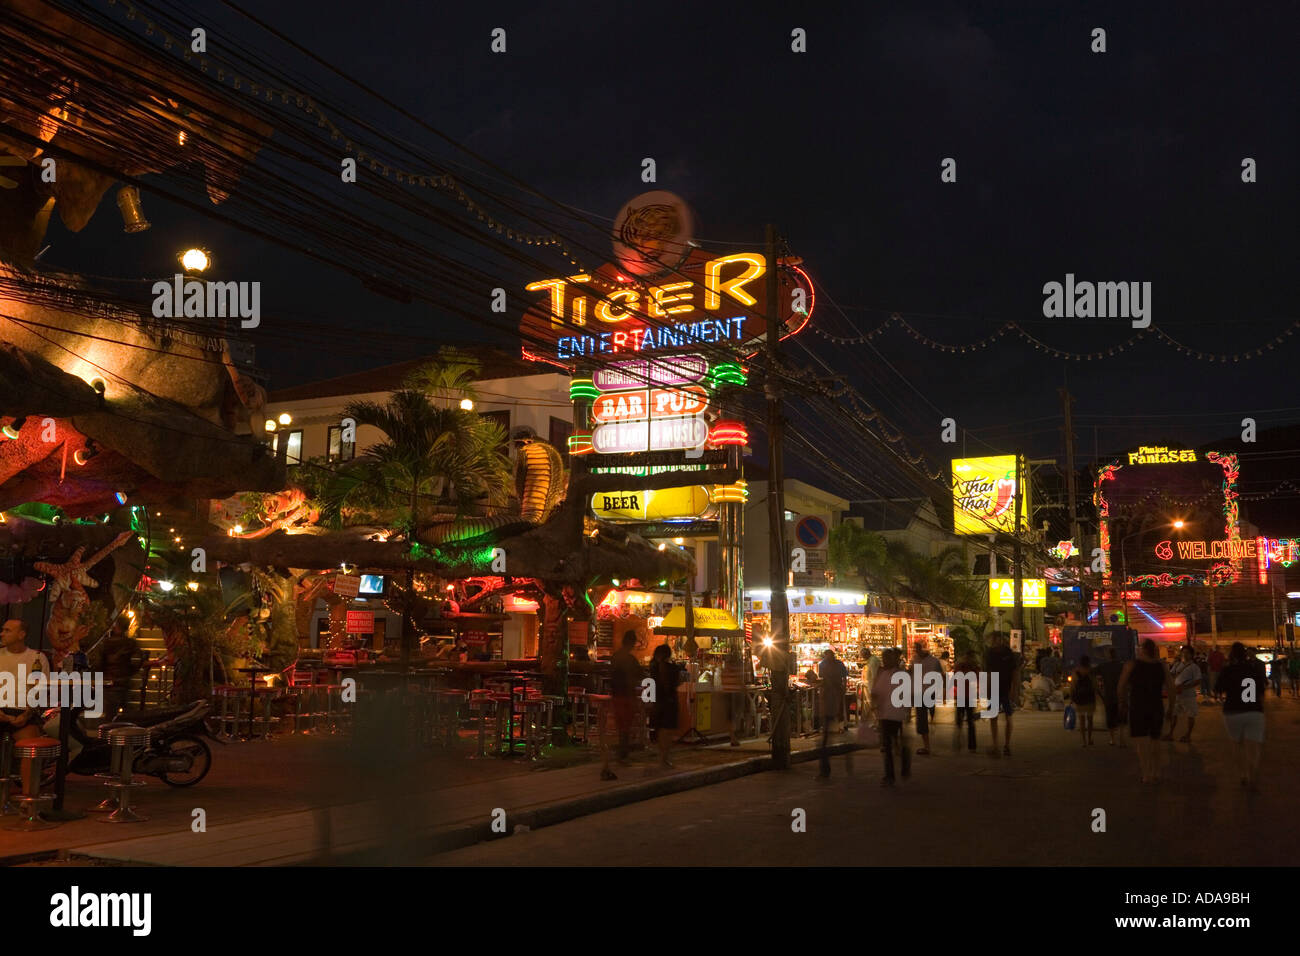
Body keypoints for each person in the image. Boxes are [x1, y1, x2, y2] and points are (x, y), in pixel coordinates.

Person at [0, 619, 51, 794]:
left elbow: (40, 691)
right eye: (3, 630)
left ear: (21, 635)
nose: (2, 634)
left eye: (7, 630)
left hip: (23, 709)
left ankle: (28, 800)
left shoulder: (37, 657)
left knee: (31, 748)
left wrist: (27, 714)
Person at [1118, 638, 1176, 784]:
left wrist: (1122, 703)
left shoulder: (1131, 665)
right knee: (1155, 741)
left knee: (1141, 743)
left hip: (1138, 707)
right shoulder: (1162, 666)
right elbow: (1171, 688)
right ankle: (1156, 772)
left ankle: (1146, 773)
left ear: (1143, 650)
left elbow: (1121, 686)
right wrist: (1171, 707)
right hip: (1156, 706)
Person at [1218, 641, 1267, 789]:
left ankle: (1243, 774)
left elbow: (1218, 689)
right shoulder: (1253, 669)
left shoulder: (1228, 670)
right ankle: (1252, 775)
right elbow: (1261, 692)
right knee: (1253, 747)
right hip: (1254, 711)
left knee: (1237, 745)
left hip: (1233, 711)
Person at [601, 632, 643, 781]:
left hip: (617, 694)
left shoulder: (616, 657)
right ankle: (622, 754)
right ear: (631, 643)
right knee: (626, 724)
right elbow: (638, 675)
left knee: (621, 725)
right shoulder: (630, 659)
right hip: (627, 695)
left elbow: (613, 675)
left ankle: (620, 753)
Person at [870, 647, 910, 787]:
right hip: (887, 714)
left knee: (890, 745)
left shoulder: (897, 674)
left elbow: (906, 693)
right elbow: (875, 692)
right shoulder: (883, 673)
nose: (885, 660)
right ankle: (892, 772)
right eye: (884, 657)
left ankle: (892, 774)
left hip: (893, 713)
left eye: (887, 658)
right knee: (889, 744)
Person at [984, 632, 1021, 757]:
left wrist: (1014, 690)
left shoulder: (1007, 653)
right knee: (995, 717)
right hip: (996, 688)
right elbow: (988, 673)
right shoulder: (991, 653)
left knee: (1007, 717)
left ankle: (1006, 745)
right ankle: (996, 745)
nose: (995, 641)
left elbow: (1015, 672)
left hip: (1005, 688)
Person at [101, 616, 146, 719]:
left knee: (111, 713)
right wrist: (131, 671)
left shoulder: (108, 643)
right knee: (123, 712)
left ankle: (110, 731)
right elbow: (138, 660)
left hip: (111, 682)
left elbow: (100, 662)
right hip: (122, 682)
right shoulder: (130, 644)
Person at [648, 644, 680, 769]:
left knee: (661, 729)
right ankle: (664, 758)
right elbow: (675, 683)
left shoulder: (653, 667)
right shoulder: (673, 669)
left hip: (657, 700)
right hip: (669, 701)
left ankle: (663, 757)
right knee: (667, 730)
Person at [817, 648, 848, 778]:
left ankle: (825, 769)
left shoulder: (832, 665)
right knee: (825, 736)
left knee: (825, 738)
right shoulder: (827, 665)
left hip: (832, 698)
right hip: (831, 699)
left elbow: (842, 679)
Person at [912, 643, 944, 755]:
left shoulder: (934, 661)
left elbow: (940, 676)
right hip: (919, 693)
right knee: (921, 719)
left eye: (917, 648)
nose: (915, 650)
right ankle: (926, 745)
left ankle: (927, 745)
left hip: (929, 692)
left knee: (924, 716)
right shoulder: (915, 660)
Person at [1165, 645, 1201, 742]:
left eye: (1187, 652)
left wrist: (1184, 687)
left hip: (1189, 696)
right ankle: (1170, 734)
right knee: (1173, 714)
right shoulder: (1177, 664)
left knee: (1190, 715)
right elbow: (1171, 675)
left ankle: (1188, 735)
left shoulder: (1194, 667)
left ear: (1192, 655)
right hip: (1176, 695)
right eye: (1183, 652)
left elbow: (1198, 681)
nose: (1185, 654)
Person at [1093, 646, 1127, 746]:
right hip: (1121, 695)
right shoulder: (1122, 666)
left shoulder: (1103, 666)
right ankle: (1122, 738)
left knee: (1110, 717)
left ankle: (1112, 739)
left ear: (1108, 655)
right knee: (1121, 718)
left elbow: (1092, 672)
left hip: (1109, 695)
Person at [951, 649, 980, 752]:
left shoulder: (959, 667)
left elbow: (954, 681)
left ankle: (958, 741)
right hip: (969, 696)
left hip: (961, 696)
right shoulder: (975, 668)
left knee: (959, 720)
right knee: (970, 722)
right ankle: (971, 746)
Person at [1071, 655, 1097, 746]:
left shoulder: (1076, 671)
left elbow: (1073, 686)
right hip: (1090, 698)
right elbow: (1094, 685)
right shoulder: (1091, 671)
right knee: (1090, 720)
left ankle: (1084, 741)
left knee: (1082, 720)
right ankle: (1090, 739)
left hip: (1080, 698)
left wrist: (1072, 698)